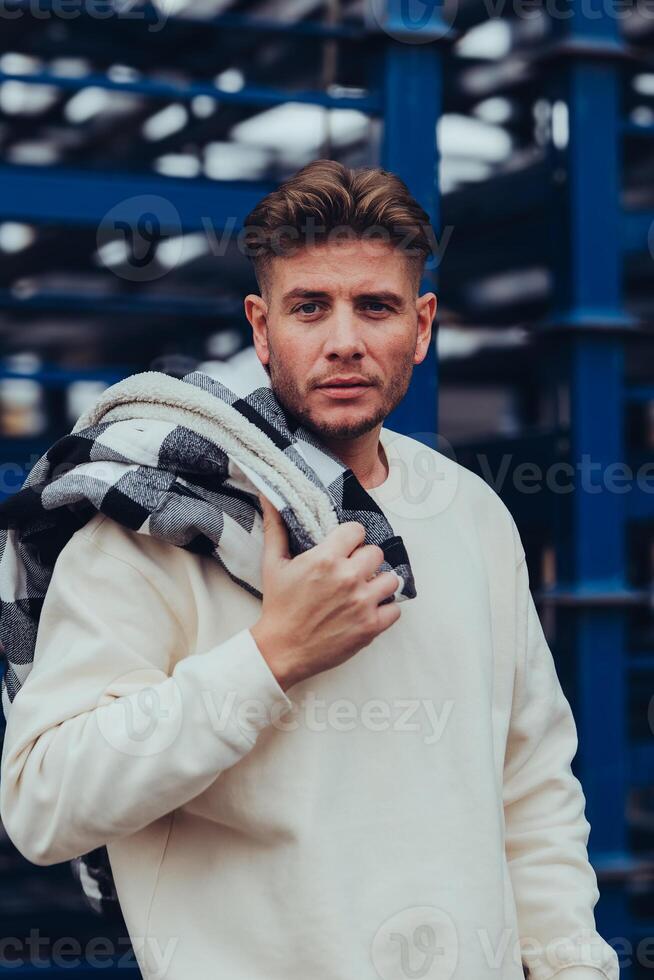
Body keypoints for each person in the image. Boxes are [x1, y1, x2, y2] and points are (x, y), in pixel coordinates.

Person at [0, 160, 619, 980]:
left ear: (423, 325)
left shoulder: (471, 514)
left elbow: (532, 787)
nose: (344, 341)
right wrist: (269, 656)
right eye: (309, 308)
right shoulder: (156, 522)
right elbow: (45, 803)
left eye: (376, 307)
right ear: (262, 329)